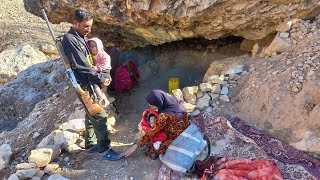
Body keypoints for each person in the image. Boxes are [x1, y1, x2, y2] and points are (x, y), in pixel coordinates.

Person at [62, 7, 122, 161]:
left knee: (91, 115)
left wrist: (103, 75)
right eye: (86, 26)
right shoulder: (70, 39)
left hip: (88, 82)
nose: (89, 29)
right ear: (76, 23)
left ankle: (90, 144)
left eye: (90, 26)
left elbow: (93, 61)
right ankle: (105, 149)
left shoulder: (80, 37)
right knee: (99, 115)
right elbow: (82, 65)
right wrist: (99, 79)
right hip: (82, 85)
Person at [123, 90, 190, 160]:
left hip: (177, 135)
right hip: (185, 126)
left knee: (154, 150)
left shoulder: (164, 116)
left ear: (159, 102)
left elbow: (152, 132)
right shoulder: (173, 100)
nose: (150, 107)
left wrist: (136, 146)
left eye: (152, 105)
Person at [87, 37, 114, 106]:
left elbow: (106, 65)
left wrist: (97, 68)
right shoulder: (91, 56)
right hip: (98, 72)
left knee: (103, 84)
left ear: (99, 46)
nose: (93, 48)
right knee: (94, 82)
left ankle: (106, 98)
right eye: (91, 46)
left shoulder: (104, 55)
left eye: (95, 46)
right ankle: (102, 97)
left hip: (105, 72)